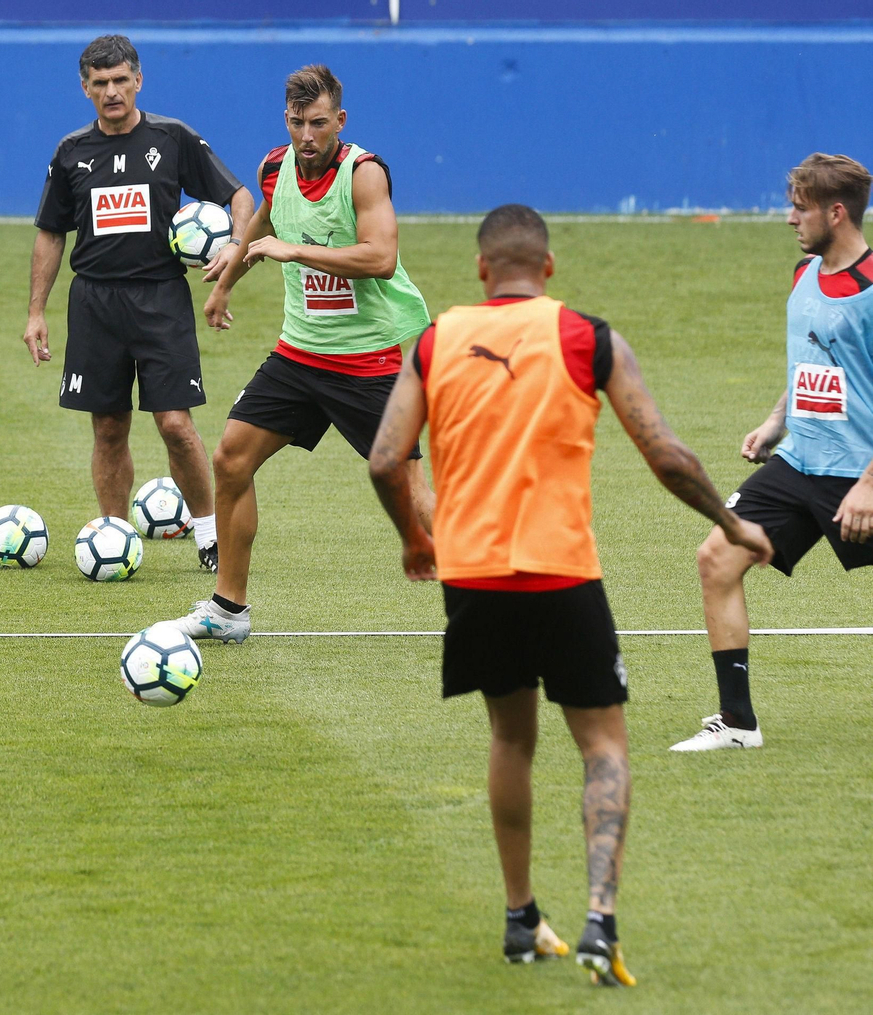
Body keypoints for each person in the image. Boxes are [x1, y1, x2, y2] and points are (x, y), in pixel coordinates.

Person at [367, 205, 772, 985]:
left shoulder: (435, 338)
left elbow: (387, 459)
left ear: (482, 271)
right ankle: (598, 918)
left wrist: (418, 541)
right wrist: (733, 522)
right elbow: (667, 454)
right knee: (603, 745)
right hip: (563, 574)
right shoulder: (588, 337)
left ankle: (520, 918)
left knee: (511, 741)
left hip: (475, 575)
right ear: (547, 268)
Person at [170, 65, 434, 643]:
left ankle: (497, 600)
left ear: (340, 120)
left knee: (411, 496)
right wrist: (223, 286)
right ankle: (228, 609)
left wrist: (296, 251)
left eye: (319, 123)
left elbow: (380, 258)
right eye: (297, 122)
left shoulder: (363, 175)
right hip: (299, 357)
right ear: (285, 119)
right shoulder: (274, 166)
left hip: (367, 364)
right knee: (231, 460)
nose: (307, 135)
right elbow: (263, 223)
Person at [24, 34, 254, 570]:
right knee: (108, 427)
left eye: (120, 80)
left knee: (175, 424)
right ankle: (113, 536)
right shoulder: (71, 153)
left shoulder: (172, 139)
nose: (111, 91)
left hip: (160, 301)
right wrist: (36, 311)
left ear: (138, 80)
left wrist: (234, 251)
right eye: (100, 83)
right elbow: (51, 232)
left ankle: (208, 536)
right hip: (94, 303)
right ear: (85, 88)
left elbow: (239, 196)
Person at [673, 153, 873, 751]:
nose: (790, 218)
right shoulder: (802, 274)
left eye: (800, 207)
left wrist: (867, 484)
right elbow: (814, 360)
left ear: (836, 213)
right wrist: (776, 421)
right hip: (801, 462)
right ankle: (737, 723)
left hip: (858, 473)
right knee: (718, 558)